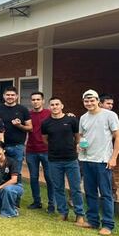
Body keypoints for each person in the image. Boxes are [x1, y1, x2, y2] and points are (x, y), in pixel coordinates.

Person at [78, 89, 119, 236]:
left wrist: (113, 157)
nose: (89, 103)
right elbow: (82, 137)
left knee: (105, 194)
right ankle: (92, 220)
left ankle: (108, 225)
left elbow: (118, 137)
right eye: (86, 101)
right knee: (90, 192)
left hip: (103, 160)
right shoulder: (83, 118)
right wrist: (80, 145)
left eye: (92, 100)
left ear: (98, 101)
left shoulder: (110, 115)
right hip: (86, 159)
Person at [41, 96, 86, 224]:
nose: (55, 107)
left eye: (57, 104)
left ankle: (79, 214)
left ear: (62, 106)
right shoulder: (46, 123)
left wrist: (74, 147)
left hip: (71, 160)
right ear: (49, 107)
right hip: (54, 160)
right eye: (52, 105)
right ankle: (63, 212)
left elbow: (77, 137)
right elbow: (45, 139)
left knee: (75, 188)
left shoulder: (71, 120)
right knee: (58, 187)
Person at [25, 91, 54, 212]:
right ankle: (37, 201)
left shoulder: (50, 113)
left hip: (47, 150)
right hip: (31, 150)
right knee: (33, 177)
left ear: (43, 101)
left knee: (49, 177)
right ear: (31, 101)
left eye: (38, 99)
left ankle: (52, 203)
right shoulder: (27, 114)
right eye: (33, 99)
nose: (35, 101)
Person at [0, 86, 32, 171]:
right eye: (8, 95)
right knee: (1, 171)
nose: (10, 97)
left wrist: (20, 125)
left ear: (16, 96)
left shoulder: (23, 109)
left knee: (16, 172)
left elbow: (30, 127)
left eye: (12, 95)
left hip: (18, 146)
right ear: (4, 96)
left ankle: (16, 184)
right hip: (1, 146)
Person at [99, 93, 119, 200]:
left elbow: (117, 135)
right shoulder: (90, 115)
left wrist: (114, 156)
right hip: (90, 152)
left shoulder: (112, 116)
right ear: (100, 104)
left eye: (112, 104)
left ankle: (112, 193)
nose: (110, 106)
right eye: (108, 103)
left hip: (106, 151)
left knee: (108, 171)